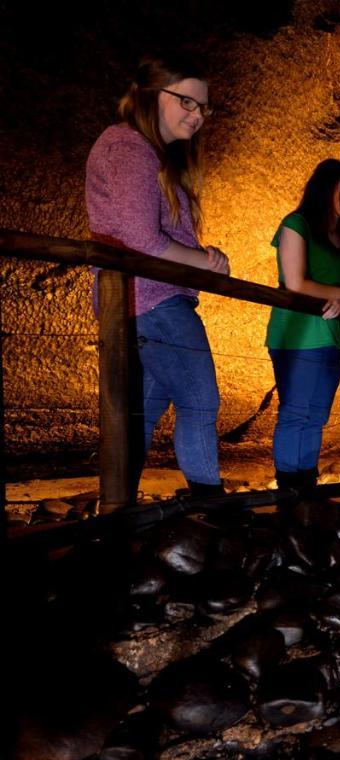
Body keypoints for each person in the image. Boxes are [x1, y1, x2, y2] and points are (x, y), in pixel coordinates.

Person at [85, 52, 228, 498]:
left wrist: (200, 255)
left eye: (204, 107)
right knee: (200, 400)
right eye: (187, 102)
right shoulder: (127, 146)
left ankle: (119, 505)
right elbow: (140, 238)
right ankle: (209, 502)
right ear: (151, 95)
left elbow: (152, 235)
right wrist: (202, 260)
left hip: (146, 298)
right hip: (153, 298)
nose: (198, 115)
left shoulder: (152, 155)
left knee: (143, 410)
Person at [265, 160, 340, 491]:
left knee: (317, 415)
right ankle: (289, 489)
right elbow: (294, 282)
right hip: (297, 334)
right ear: (326, 188)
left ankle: (305, 484)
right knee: (295, 411)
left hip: (331, 337)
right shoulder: (297, 225)